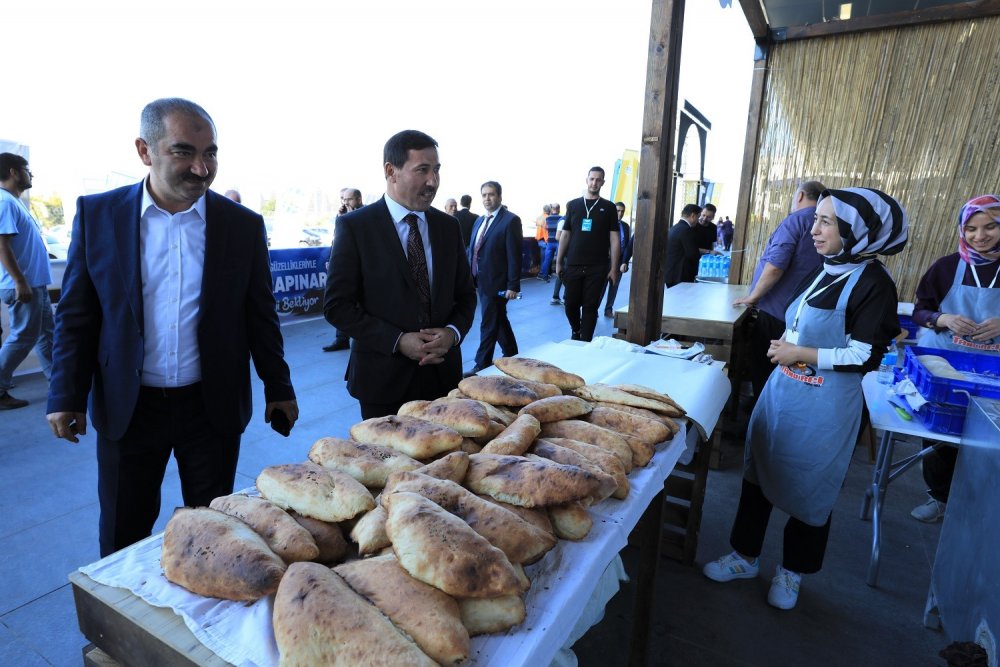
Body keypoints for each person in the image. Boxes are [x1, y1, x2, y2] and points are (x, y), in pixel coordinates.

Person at [45, 98, 299, 557]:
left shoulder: (241, 226)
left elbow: (260, 315)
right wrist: (65, 394)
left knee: (213, 535)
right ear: (145, 150)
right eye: (184, 152)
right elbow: (78, 314)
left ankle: (202, 620)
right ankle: (117, 624)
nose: (202, 168)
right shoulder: (99, 215)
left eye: (212, 153)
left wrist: (278, 387)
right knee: (124, 530)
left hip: (212, 407)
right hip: (129, 407)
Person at [703, 187, 908, 611]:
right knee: (760, 469)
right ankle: (744, 557)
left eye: (826, 221)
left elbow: (865, 353)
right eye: (816, 219)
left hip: (826, 407)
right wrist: (789, 342)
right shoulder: (827, 267)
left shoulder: (874, 284)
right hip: (786, 394)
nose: (814, 229)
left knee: (812, 484)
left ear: (855, 230)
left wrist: (800, 353)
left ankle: (791, 572)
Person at [324, 130, 476, 419]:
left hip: (443, 381)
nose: (433, 181)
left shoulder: (448, 227)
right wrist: (397, 340)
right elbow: (337, 306)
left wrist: (453, 334)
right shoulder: (356, 227)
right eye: (422, 170)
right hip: (382, 384)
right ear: (390, 171)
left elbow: (466, 295)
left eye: (436, 170)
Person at [908, 194, 1000, 523]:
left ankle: (981, 506)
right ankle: (939, 498)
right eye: (972, 228)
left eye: (991, 226)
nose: (980, 235)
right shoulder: (946, 267)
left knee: (990, 437)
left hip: (994, 370)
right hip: (949, 363)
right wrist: (943, 320)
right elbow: (920, 311)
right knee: (943, 433)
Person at [734, 181, 826, 400]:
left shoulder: (796, 221)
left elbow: (775, 266)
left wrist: (753, 297)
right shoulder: (828, 226)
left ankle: (761, 415)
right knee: (794, 375)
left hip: (776, 315)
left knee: (765, 371)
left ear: (801, 195)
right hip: (805, 317)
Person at [0, 153, 54, 410]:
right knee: (22, 338)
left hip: (34, 283)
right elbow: (1, 245)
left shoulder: (13, 201)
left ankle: (59, 384)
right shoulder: (4, 201)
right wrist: (20, 281)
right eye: (27, 170)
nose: (31, 175)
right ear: (13, 172)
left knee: (47, 336)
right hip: (23, 285)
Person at [555, 167, 620, 341]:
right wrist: (559, 262)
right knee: (570, 304)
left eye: (598, 180)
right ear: (587, 180)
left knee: (590, 306)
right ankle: (576, 329)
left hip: (598, 266)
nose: (594, 183)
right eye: (592, 179)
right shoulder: (574, 205)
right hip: (574, 264)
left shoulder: (609, 207)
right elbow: (565, 234)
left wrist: (614, 268)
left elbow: (614, 239)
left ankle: (585, 340)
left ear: (603, 182)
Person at [466, 181, 521, 375]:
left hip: (497, 283)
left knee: (489, 322)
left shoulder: (510, 220)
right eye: (484, 195)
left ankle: (482, 363)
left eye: (491, 194)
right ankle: (513, 355)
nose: (487, 198)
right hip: (479, 280)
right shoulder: (480, 221)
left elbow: (514, 255)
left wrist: (513, 285)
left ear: (500, 196)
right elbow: (473, 250)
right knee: (498, 320)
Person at [323, 187, 364, 352]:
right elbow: (338, 239)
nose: (345, 202)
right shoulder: (342, 215)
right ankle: (341, 339)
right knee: (342, 300)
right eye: (343, 199)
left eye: (348, 199)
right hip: (346, 264)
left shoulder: (367, 215)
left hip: (362, 267)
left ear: (358, 199)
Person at [603, 201, 631, 317]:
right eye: (618, 211)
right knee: (601, 287)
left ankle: (608, 309)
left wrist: (624, 261)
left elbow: (628, 245)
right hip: (605, 261)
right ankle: (594, 310)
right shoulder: (605, 224)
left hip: (619, 262)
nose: (620, 213)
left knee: (614, 287)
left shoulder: (625, 226)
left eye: (622, 211)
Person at [664, 204, 702, 287]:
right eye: (698, 217)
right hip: (681, 275)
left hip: (670, 274)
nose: (698, 221)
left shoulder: (674, 228)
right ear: (693, 216)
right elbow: (692, 254)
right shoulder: (687, 230)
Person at [548, 203, 567, 303]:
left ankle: (556, 296)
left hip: (552, 244)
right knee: (565, 273)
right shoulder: (563, 220)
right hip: (563, 249)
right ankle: (565, 297)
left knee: (561, 273)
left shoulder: (548, 218)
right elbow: (558, 236)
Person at [539, 203, 562, 282]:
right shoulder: (561, 218)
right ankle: (560, 276)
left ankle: (544, 276)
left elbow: (545, 227)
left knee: (547, 260)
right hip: (558, 242)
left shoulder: (547, 218)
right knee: (560, 259)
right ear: (558, 209)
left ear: (552, 210)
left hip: (549, 242)